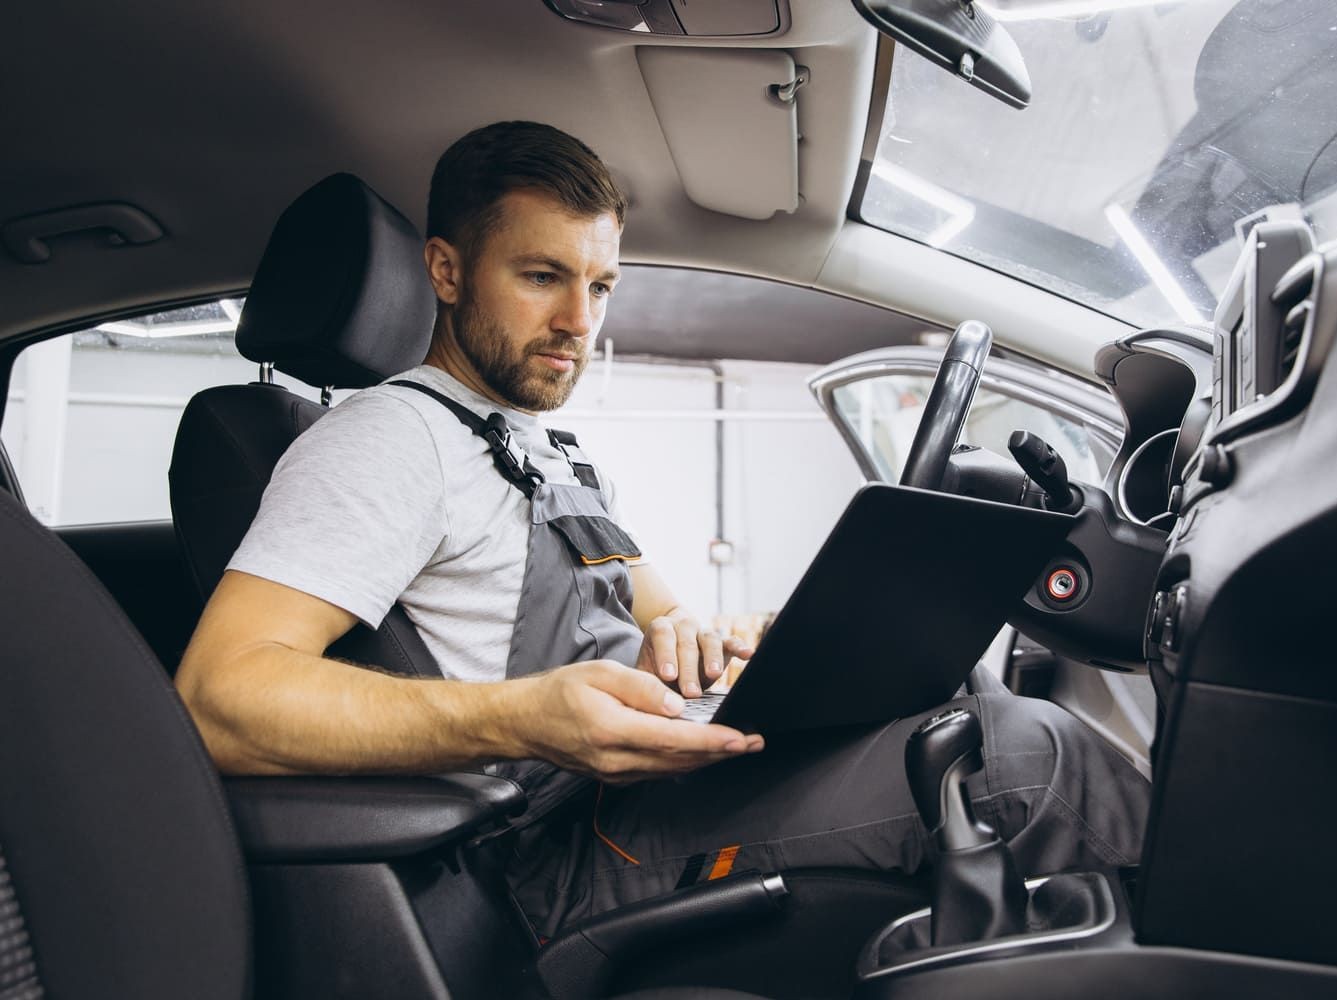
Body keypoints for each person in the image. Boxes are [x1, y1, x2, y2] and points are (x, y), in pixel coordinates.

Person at [175, 120, 1151, 938]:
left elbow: (663, 615)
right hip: (549, 852)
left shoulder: (532, 446)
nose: (577, 321)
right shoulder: (389, 439)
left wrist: (714, 644)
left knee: (966, 707)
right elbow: (220, 696)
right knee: (1026, 760)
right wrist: (518, 715)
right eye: (542, 275)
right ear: (445, 270)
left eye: (599, 285)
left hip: (635, 795)